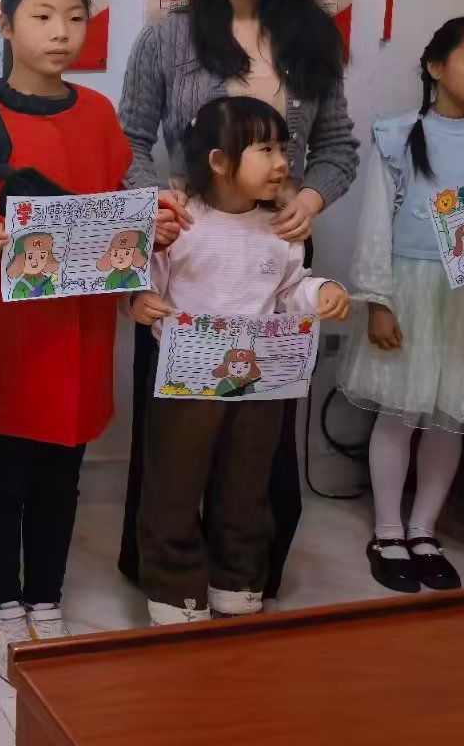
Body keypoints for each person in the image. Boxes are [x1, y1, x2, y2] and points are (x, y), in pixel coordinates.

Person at [116, 0, 359, 595]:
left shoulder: (312, 38)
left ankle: (245, 574)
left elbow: (338, 146)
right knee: (175, 435)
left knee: (261, 429)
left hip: (275, 249)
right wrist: (154, 201)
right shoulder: (167, 36)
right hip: (186, 249)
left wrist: (310, 198)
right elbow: (128, 137)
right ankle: (165, 573)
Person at [0, 0, 180, 678]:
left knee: (61, 476)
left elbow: (116, 212)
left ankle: (45, 597)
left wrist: (152, 228)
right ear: (5, 24)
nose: (61, 32)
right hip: (7, 335)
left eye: (75, 18)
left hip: (78, 331)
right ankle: (0, 603)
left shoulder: (99, 115)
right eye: (42, 17)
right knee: (3, 477)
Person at [129, 97, 351, 625]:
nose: (282, 162)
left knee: (247, 484)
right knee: (174, 486)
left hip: (259, 383)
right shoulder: (181, 222)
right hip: (185, 384)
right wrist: (138, 302)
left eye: (283, 149)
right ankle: (175, 591)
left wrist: (321, 291)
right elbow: (143, 282)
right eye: (264, 149)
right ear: (219, 160)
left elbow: (291, 290)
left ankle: (237, 582)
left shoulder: (281, 229)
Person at [336, 16, 464, 594]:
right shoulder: (396, 135)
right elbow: (375, 225)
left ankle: (424, 530)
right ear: (436, 67)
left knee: (450, 415)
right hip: (410, 288)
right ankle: (387, 531)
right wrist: (377, 301)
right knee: (400, 413)